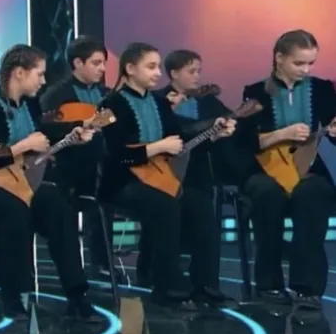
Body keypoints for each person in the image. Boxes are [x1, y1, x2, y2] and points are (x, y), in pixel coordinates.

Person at [99, 43, 233, 309]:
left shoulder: (159, 103)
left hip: (160, 177)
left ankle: (205, 284)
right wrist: (156, 147)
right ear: (130, 68)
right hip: (122, 182)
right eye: (151, 67)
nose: (158, 73)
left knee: (199, 203)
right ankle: (167, 286)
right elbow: (115, 156)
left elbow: (180, 140)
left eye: (158, 67)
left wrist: (213, 134)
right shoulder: (109, 105)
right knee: (165, 205)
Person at [0, 45, 95, 319]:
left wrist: (72, 134)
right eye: (39, 74)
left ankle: (77, 293)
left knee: (59, 209)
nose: (43, 81)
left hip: (26, 181)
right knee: (14, 211)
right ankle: (12, 294)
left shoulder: (32, 105)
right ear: (19, 73)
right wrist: (22, 146)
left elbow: (45, 134)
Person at [237, 30, 336, 310]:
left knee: (313, 194)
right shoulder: (256, 92)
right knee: (267, 195)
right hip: (265, 168)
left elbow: (332, 130)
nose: (306, 70)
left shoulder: (322, 89)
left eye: (310, 63)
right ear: (279, 58)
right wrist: (282, 134)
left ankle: (308, 288)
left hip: (306, 166)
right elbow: (245, 141)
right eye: (299, 63)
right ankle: (269, 283)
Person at [154, 49, 236, 306]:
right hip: (162, 172)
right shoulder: (157, 100)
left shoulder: (207, 102)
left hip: (196, 174)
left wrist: (224, 130)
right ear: (174, 73)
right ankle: (169, 283)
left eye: (199, 71)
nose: (197, 76)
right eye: (191, 71)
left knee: (204, 216)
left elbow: (229, 121)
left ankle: (206, 284)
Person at [40, 36, 113, 278]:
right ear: (78, 63)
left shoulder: (107, 94)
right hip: (67, 168)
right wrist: (81, 125)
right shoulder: (55, 95)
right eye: (96, 63)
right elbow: (45, 129)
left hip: (101, 165)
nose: (102, 69)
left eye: (104, 63)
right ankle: (72, 268)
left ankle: (102, 262)